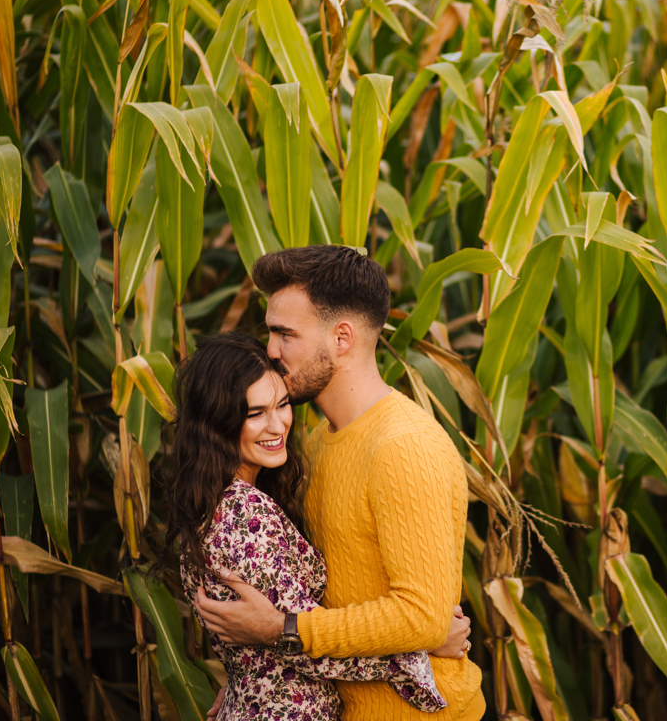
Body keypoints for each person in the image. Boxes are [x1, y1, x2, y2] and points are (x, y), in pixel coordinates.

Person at [195, 246, 485, 721]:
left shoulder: (404, 448)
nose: (270, 350)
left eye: (285, 334)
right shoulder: (311, 444)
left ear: (343, 337)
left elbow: (421, 617)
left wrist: (281, 630)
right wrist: (256, 680)